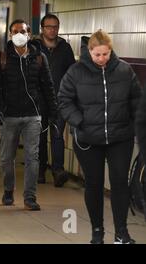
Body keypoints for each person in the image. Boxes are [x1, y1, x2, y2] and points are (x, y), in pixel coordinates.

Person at [58, 29, 142, 244]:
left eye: (106, 54)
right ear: (90, 51)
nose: (102, 59)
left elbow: (137, 101)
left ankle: (121, 233)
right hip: (88, 139)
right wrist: (79, 121)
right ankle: (97, 232)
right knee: (94, 185)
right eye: (97, 55)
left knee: (120, 184)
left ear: (111, 51)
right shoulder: (75, 72)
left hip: (120, 137)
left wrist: (134, 125)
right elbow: (64, 100)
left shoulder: (124, 70)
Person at [0, 19, 57, 211]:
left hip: (32, 116)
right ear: (10, 35)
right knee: (6, 158)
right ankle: (8, 190)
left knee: (32, 157)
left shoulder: (38, 57)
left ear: (29, 34)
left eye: (23, 31)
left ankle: (30, 196)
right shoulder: (2, 58)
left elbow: (48, 86)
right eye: (15, 31)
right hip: (9, 115)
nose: (19, 34)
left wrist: (53, 112)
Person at [32, 14, 76, 187]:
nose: (52, 30)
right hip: (39, 100)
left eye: (55, 27)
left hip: (60, 100)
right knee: (40, 137)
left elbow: (72, 73)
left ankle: (58, 170)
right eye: (49, 27)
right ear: (42, 28)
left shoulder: (65, 48)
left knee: (57, 136)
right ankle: (40, 170)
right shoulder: (34, 47)